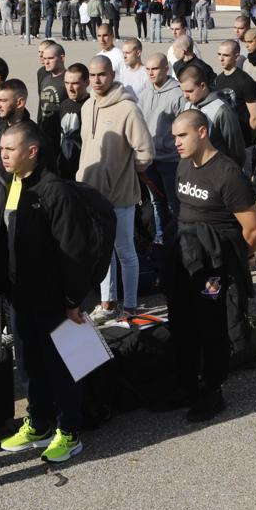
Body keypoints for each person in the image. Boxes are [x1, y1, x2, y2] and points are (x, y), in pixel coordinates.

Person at [0, 122, 92, 461]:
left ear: (32, 152)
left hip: (53, 298)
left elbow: (74, 251)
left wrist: (72, 300)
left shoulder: (56, 191)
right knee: (30, 363)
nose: (3, 154)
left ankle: (69, 431)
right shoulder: (9, 182)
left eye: (11, 149)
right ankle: (39, 423)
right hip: (20, 295)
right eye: (2, 148)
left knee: (62, 364)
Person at [166, 110, 256, 419]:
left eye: (182, 136)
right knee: (181, 322)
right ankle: (186, 386)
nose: (176, 143)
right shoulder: (183, 165)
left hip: (213, 273)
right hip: (185, 261)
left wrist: (232, 263)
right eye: (174, 137)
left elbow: (253, 228)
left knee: (211, 325)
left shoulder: (227, 174)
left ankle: (213, 390)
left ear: (202, 132)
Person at [79, 56, 155, 323]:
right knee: (102, 252)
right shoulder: (87, 106)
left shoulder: (127, 109)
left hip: (120, 195)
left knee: (125, 251)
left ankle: (131, 306)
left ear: (112, 75)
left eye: (102, 75)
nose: (97, 81)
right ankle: (107, 303)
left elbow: (145, 151)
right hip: (91, 194)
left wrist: (123, 173)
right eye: (93, 75)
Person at [138, 53, 188, 218]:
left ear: (166, 69)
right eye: (148, 69)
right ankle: (160, 238)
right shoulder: (144, 92)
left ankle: (176, 240)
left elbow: (186, 127)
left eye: (155, 69)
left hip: (171, 160)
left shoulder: (178, 94)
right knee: (156, 203)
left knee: (174, 203)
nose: (151, 73)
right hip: (150, 160)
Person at [179, 65, 244, 165]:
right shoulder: (188, 105)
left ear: (203, 86)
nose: (185, 96)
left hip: (218, 170)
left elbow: (235, 148)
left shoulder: (222, 110)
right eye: (183, 91)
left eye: (189, 91)